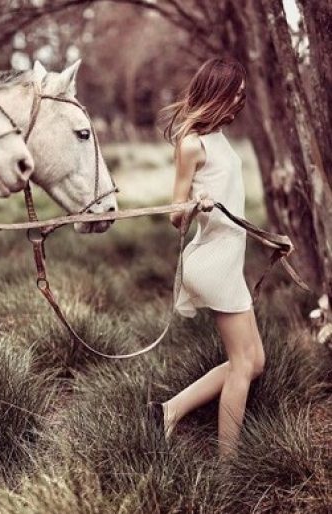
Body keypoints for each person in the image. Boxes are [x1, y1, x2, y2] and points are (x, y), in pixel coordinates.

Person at [148, 58, 263, 459]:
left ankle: (169, 411)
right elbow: (174, 215)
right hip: (211, 262)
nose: (240, 98)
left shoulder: (218, 136)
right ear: (218, 90)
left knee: (255, 361)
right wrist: (195, 204)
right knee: (244, 364)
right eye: (237, 91)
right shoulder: (191, 143)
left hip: (228, 260)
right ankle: (228, 467)